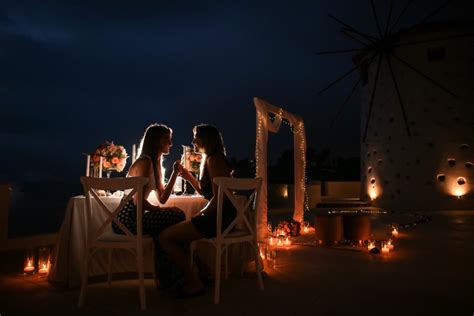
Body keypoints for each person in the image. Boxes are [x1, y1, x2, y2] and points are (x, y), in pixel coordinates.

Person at [159, 124, 235, 299]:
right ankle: (204, 272)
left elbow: (221, 196)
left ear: (206, 139)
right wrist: (188, 176)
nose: (193, 141)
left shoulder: (214, 160)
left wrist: (201, 214)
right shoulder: (210, 159)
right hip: (221, 215)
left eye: (196, 137)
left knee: (165, 237)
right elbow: (205, 191)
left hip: (219, 217)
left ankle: (195, 282)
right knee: (177, 233)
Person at [111, 123, 186, 292]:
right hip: (126, 219)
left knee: (170, 224)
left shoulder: (155, 164)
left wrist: (175, 173)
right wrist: (161, 211)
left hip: (136, 216)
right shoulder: (145, 162)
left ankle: (171, 277)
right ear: (157, 141)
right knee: (176, 217)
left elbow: (163, 198)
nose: (170, 144)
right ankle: (176, 275)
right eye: (167, 139)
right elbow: (138, 202)